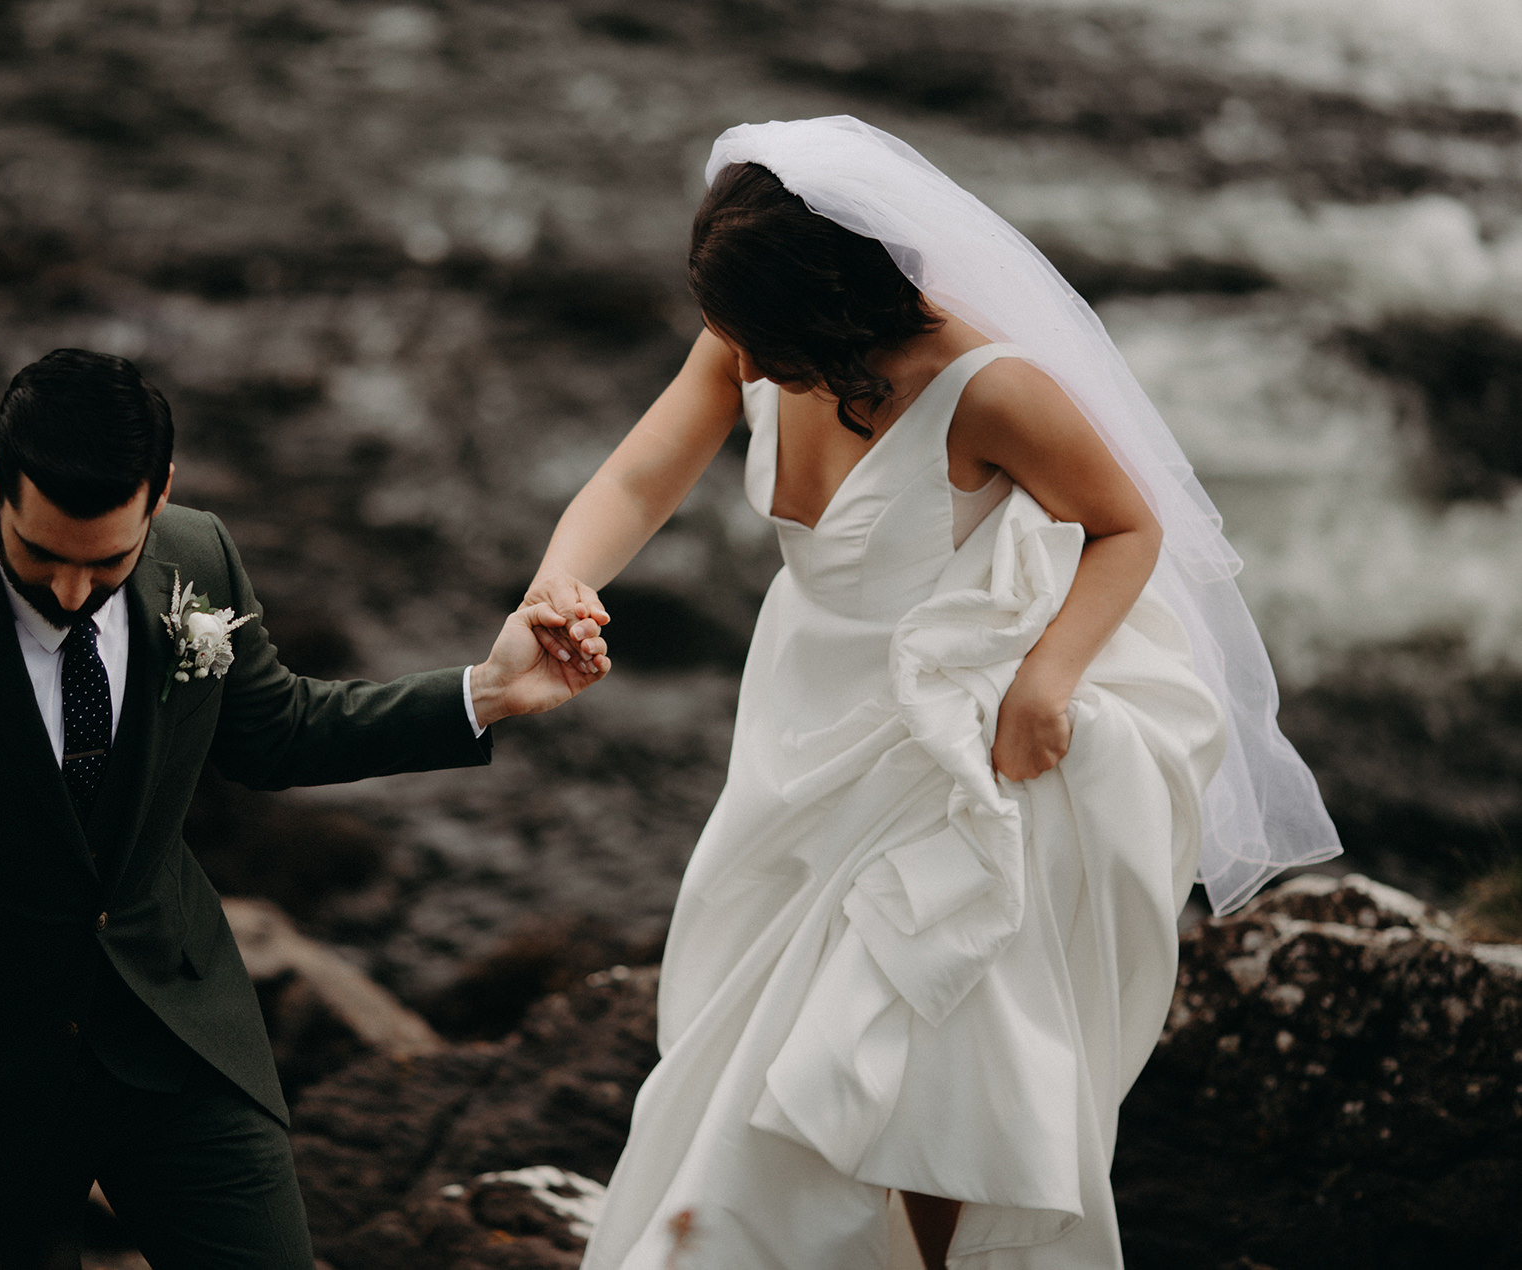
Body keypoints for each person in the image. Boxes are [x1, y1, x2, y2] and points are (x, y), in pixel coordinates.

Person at [527, 118, 1339, 1269]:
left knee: (928, 1048)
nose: (741, 370)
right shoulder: (750, 335)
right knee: (747, 1021)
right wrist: (563, 576)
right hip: (803, 716)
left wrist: (1047, 681)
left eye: (760, 345)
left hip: (947, 739)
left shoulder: (985, 387)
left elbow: (1128, 525)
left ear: (829, 311)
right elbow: (638, 471)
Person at [0, 348, 610, 1270]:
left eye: (107, 561)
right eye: (41, 555)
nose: (70, 594)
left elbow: (279, 732)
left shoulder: (200, 555)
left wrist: (485, 692)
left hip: (177, 1032)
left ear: (161, 495)